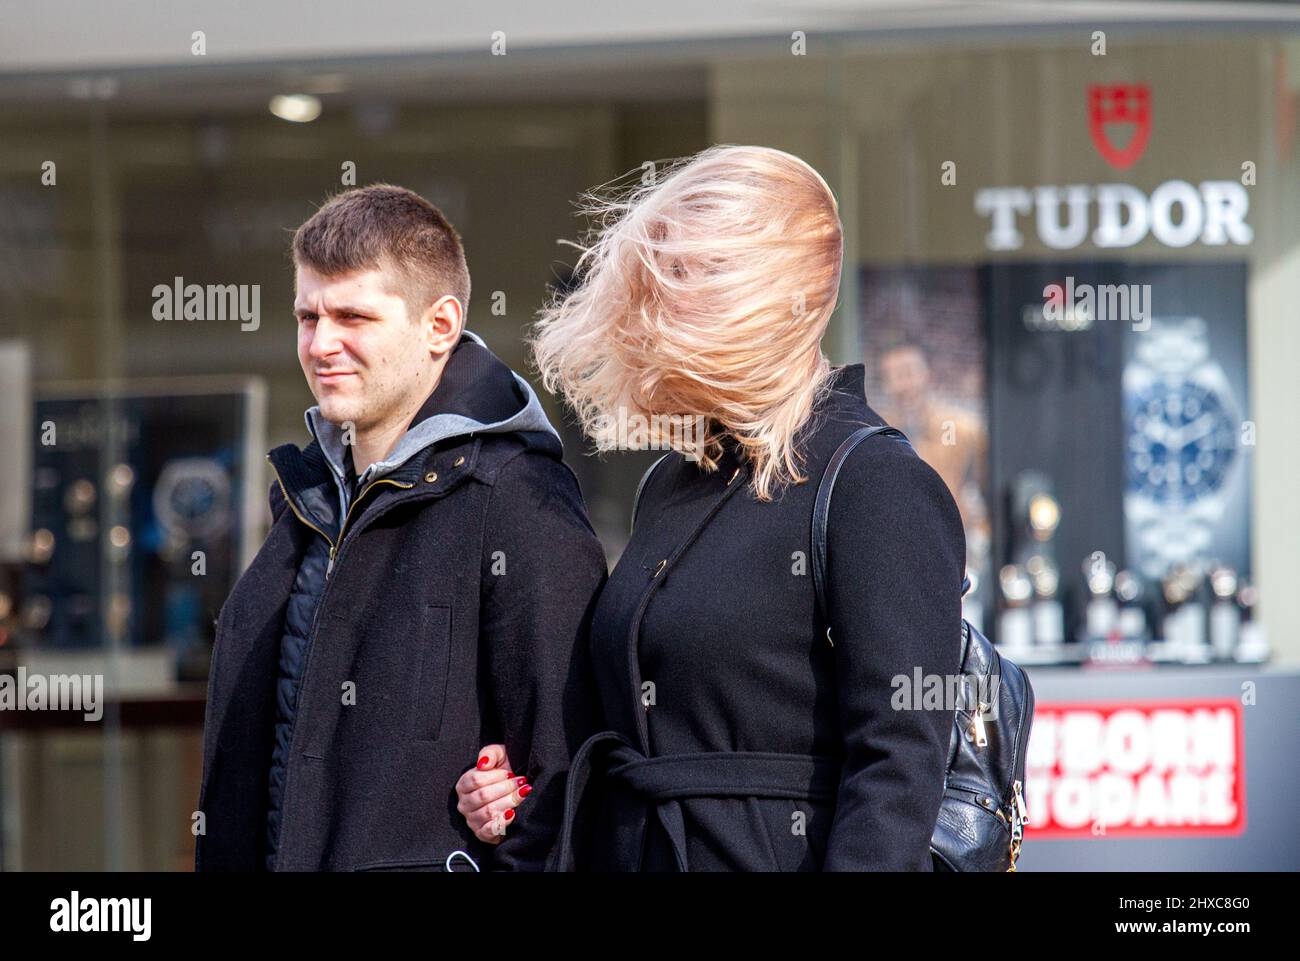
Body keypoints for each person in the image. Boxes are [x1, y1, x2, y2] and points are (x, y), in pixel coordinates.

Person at [455, 146, 966, 870]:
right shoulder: (674, 480)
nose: (660, 307)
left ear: (772, 290)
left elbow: (898, 769)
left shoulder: (873, 481)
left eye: (692, 277)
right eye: (660, 280)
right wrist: (517, 791)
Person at [195, 184, 606, 871]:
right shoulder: (306, 499)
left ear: (440, 325)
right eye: (307, 315)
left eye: (353, 315)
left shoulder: (517, 497)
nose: (322, 343)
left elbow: (567, 791)